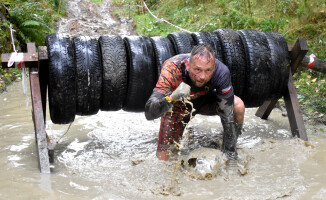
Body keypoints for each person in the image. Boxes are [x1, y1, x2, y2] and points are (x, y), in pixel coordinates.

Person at [145, 44, 245, 161]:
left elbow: (227, 115)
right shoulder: (171, 68)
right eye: (197, 70)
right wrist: (172, 97)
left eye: (208, 70)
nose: (202, 76)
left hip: (205, 102)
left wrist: (230, 155)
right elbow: (149, 113)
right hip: (178, 107)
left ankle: (230, 145)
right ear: (188, 65)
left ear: (214, 67)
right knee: (165, 157)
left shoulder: (221, 71)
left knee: (238, 105)